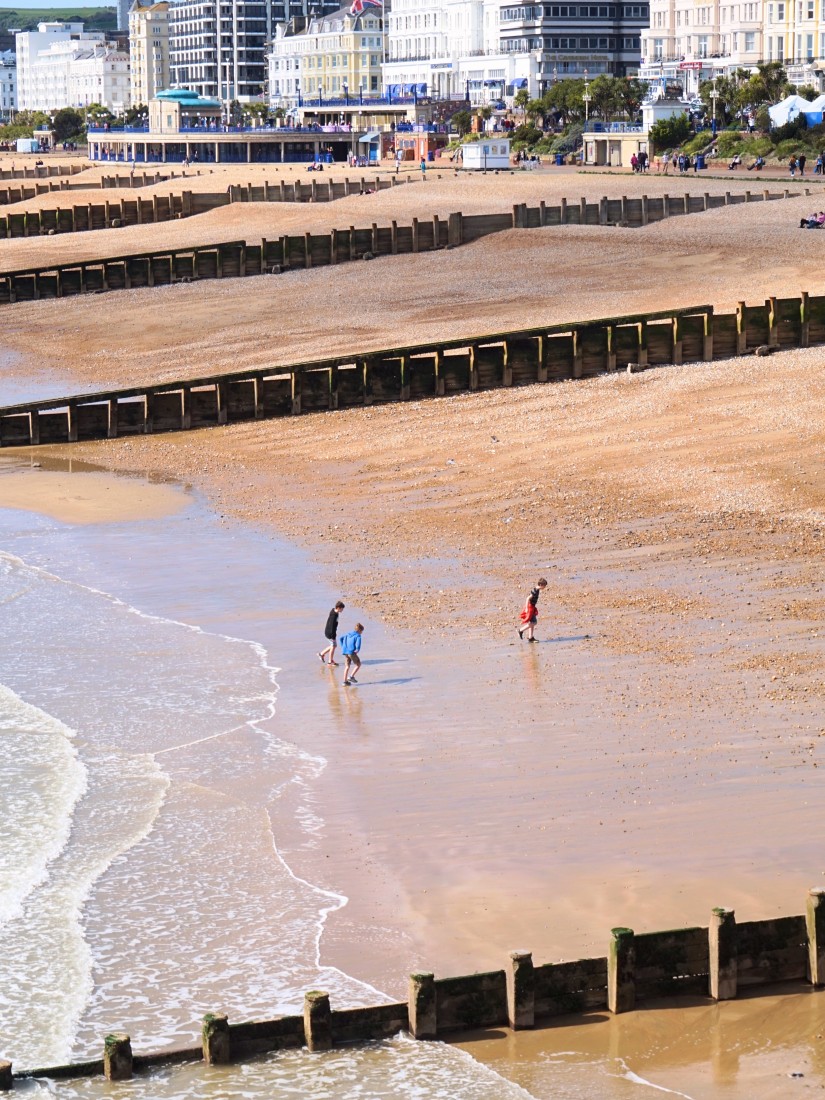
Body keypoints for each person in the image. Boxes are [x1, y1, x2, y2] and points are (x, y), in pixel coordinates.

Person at [517, 578, 548, 643]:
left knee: (532, 622)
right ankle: (520, 630)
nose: (545, 587)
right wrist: (526, 608)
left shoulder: (537, 589)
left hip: (532, 607)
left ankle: (530, 637)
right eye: (544, 586)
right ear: (540, 585)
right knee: (534, 622)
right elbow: (528, 598)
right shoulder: (535, 591)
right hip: (530, 607)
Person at [318, 600, 345, 665]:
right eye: (342, 609)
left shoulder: (334, 611)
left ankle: (321, 654)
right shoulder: (334, 615)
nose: (342, 610)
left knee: (333, 645)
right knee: (333, 646)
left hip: (328, 632)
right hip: (330, 633)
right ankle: (330, 661)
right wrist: (333, 636)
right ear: (338, 608)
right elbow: (331, 626)